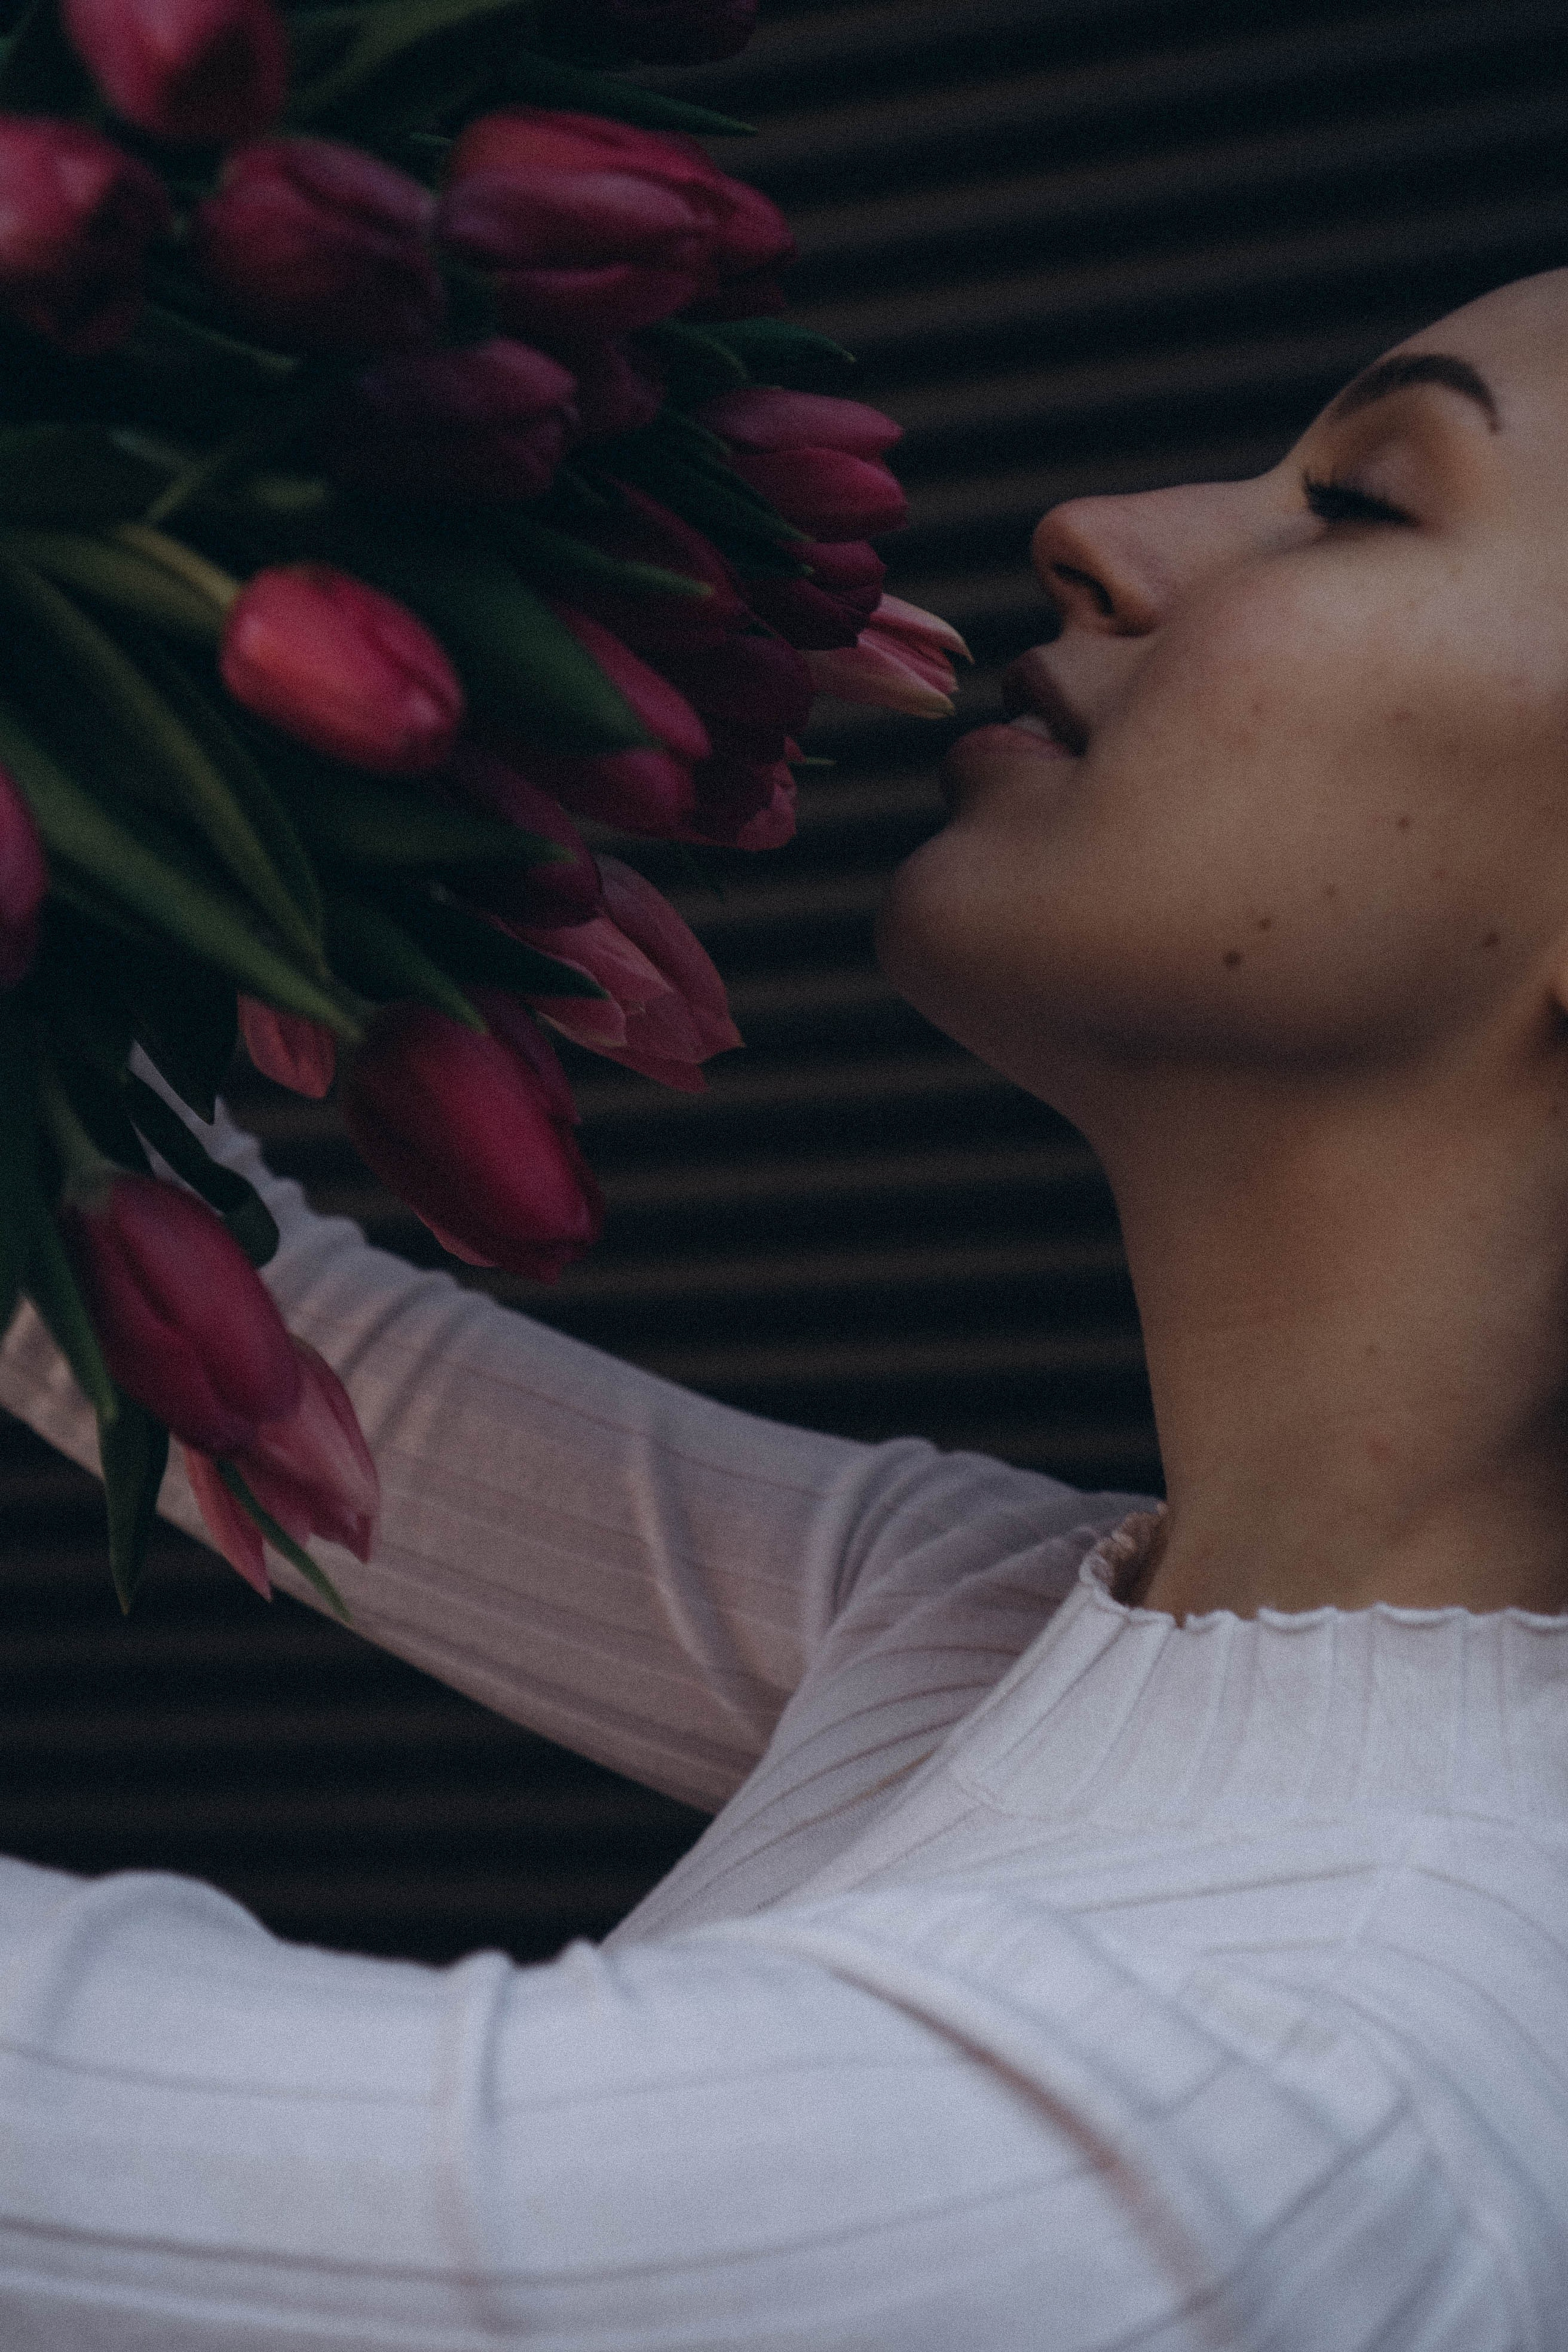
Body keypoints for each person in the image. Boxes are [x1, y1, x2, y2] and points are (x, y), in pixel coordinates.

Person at [1, 266, 1566, 2350]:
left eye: (1366, 500)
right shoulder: (1018, 1614)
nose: (1097, 528)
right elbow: (150, 1303)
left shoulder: (1281, 2127)